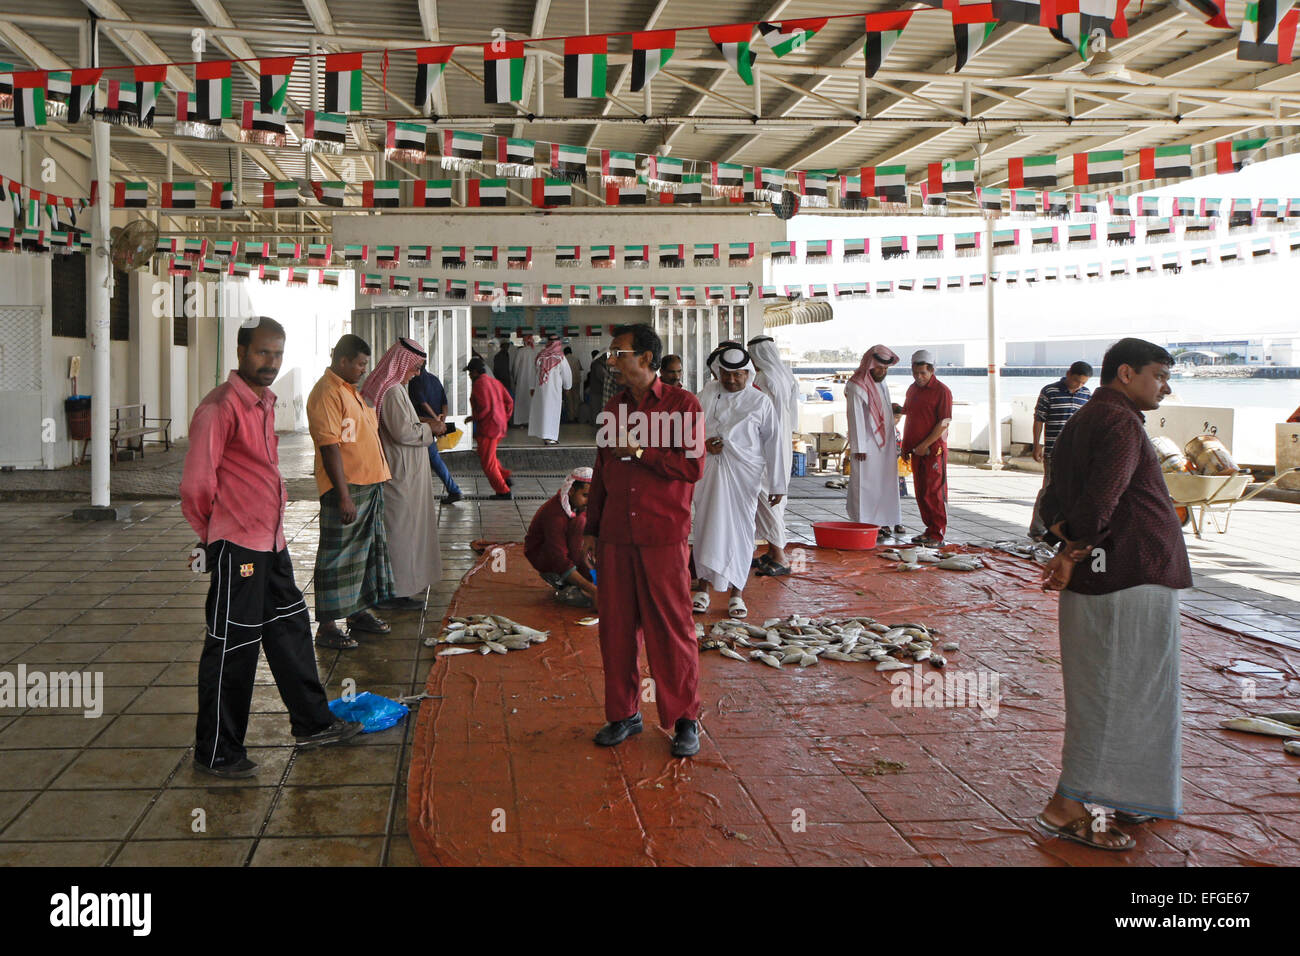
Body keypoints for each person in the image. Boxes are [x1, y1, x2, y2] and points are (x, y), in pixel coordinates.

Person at [181, 317, 361, 777]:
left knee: (290, 630)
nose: (271, 363)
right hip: (238, 546)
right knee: (232, 647)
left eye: (278, 354)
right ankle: (217, 752)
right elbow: (197, 485)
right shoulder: (219, 408)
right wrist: (215, 535)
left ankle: (313, 723)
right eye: (263, 353)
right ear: (241, 351)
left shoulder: (263, 403)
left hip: (271, 541)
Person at [1036, 337, 1191, 851]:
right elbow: (1103, 502)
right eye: (1159, 376)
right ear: (1125, 373)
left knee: (1112, 689)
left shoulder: (1083, 418)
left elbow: (1053, 496)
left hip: (1106, 575)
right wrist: (1072, 547)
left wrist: (1065, 543)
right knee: (1120, 693)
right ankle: (1067, 805)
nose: (1165, 388)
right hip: (1131, 572)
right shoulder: (1121, 422)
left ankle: (1124, 791)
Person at [583, 324, 705, 758]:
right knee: (615, 629)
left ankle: (685, 719)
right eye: (611, 355)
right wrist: (592, 527)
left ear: (647, 359)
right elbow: (600, 472)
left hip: (662, 535)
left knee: (671, 629)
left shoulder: (683, 405)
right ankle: (624, 714)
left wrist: (638, 452)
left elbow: (692, 467)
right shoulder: (612, 408)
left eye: (619, 354)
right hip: (616, 534)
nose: (611, 363)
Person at [306, 334, 396, 650]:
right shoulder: (327, 393)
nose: (362, 370)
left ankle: (357, 611)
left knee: (363, 555)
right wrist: (343, 495)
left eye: (364, 365)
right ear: (342, 360)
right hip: (346, 487)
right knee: (336, 555)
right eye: (359, 364)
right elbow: (330, 446)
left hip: (368, 485)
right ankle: (328, 626)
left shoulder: (350, 392)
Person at [691, 344, 782, 620]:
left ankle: (736, 593)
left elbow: (774, 443)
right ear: (718, 371)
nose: (731, 380)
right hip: (709, 473)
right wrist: (703, 445)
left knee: (741, 532)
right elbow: (688, 429)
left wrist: (778, 484)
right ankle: (703, 589)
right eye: (726, 374)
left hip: (744, 477)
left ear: (748, 373)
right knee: (706, 528)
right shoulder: (706, 393)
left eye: (738, 375)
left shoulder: (760, 402)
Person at [362, 339, 444, 612]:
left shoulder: (388, 387)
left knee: (401, 532)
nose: (417, 373)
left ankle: (397, 590)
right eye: (416, 367)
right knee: (400, 534)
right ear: (403, 363)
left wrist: (423, 424)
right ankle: (393, 592)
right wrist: (431, 429)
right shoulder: (394, 391)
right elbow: (403, 432)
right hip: (400, 474)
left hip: (399, 470)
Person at [747, 336, 798, 575]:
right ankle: (770, 551)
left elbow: (759, 415)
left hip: (767, 444)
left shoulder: (764, 379)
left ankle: (780, 556)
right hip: (783, 441)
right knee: (774, 497)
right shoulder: (785, 375)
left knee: (768, 498)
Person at [845, 345, 903, 543]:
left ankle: (883, 521)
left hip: (885, 444)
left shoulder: (881, 383)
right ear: (869, 365)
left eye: (886, 369)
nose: (882, 372)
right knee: (865, 485)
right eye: (879, 368)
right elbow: (855, 418)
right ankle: (865, 522)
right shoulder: (857, 385)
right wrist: (858, 446)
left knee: (884, 483)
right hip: (866, 446)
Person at [1029, 361, 1093, 539]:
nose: (1078, 386)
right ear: (1068, 374)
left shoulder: (1086, 394)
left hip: (1077, 452)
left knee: (1075, 491)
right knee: (1049, 489)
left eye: (1083, 383)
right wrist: (1036, 445)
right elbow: (1039, 419)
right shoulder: (1049, 391)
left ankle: (1064, 530)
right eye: (1076, 381)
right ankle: (1037, 529)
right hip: (1053, 450)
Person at [525, 467, 597, 608]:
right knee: (581, 523)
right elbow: (558, 559)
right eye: (585, 495)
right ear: (571, 491)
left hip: (568, 553)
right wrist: (593, 590)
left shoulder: (578, 506)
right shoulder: (554, 515)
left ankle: (586, 580)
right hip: (546, 559)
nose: (589, 501)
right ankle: (570, 583)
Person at [901, 349, 954, 546]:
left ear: (932, 371)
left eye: (923, 373)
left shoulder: (942, 391)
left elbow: (944, 422)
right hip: (915, 450)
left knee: (934, 492)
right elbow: (910, 417)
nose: (919, 377)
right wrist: (906, 446)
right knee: (921, 491)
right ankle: (929, 529)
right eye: (915, 373)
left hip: (933, 451)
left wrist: (925, 444)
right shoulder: (912, 389)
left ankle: (937, 532)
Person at [408, 361, 463, 505]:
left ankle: (453, 490)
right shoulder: (434, 379)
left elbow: (423, 403)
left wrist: (435, 421)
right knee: (431, 459)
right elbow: (445, 402)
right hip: (432, 426)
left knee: (430, 459)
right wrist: (441, 420)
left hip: (423, 427)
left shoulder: (414, 382)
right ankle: (452, 489)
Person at [466, 356, 514, 499]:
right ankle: (505, 478)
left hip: (488, 428)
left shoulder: (479, 384)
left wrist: (473, 418)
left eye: (470, 372)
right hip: (498, 426)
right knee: (488, 456)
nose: (469, 375)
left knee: (488, 463)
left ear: (475, 372)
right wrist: (503, 418)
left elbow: (485, 408)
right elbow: (510, 402)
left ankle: (503, 491)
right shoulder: (494, 382)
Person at [528, 334, 571, 444]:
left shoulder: (540, 356)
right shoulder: (560, 357)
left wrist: (532, 387)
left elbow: (534, 373)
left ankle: (544, 435)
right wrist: (567, 387)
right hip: (554, 391)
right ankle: (550, 437)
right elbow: (567, 374)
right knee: (552, 412)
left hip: (541, 390)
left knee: (543, 412)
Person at [510, 334, 537, 427]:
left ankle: (521, 422)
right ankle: (531, 422)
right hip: (533, 382)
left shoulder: (521, 351)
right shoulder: (535, 352)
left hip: (522, 380)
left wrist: (515, 377)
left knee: (521, 401)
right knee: (531, 401)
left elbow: (516, 366)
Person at [563, 346, 582, 422]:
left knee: (569, 400)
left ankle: (571, 418)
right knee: (576, 398)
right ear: (571, 352)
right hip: (576, 381)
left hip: (567, 383)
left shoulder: (563, 359)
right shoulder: (576, 359)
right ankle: (576, 416)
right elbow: (580, 369)